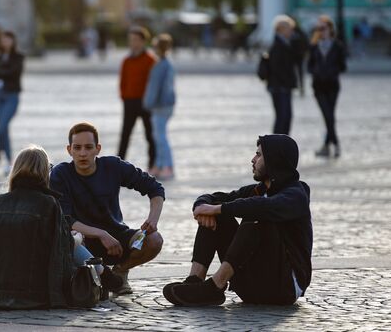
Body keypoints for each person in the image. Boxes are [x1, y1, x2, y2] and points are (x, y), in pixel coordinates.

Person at [162, 134, 312, 307]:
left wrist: (216, 208)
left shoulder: (297, 194)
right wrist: (202, 206)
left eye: (259, 155)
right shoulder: (258, 190)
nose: (253, 160)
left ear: (274, 160)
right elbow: (215, 197)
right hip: (251, 285)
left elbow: (265, 206)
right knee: (221, 212)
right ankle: (195, 281)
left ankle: (215, 285)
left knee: (255, 215)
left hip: (283, 288)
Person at [0, 145, 121, 311]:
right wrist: (77, 239)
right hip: (36, 292)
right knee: (73, 241)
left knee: (68, 237)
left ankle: (108, 277)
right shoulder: (48, 204)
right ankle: (108, 277)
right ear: (44, 172)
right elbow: (61, 250)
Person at [50, 122, 165, 295]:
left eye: (88, 147)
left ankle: (120, 271)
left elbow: (155, 188)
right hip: (82, 243)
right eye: (77, 147)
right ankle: (101, 277)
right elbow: (65, 219)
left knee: (154, 240)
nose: (82, 153)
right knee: (70, 240)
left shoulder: (113, 166)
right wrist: (101, 234)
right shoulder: (61, 174)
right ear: (69, 150)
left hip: (118, 238)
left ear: (97, 149)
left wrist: (153, 220)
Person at [117, 26, 157, 170]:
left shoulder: (150, 60)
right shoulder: (126, 61)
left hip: (146, 103)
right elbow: (122, 81)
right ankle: (118, 164)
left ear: (142, 41)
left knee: (150, 135)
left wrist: (150, 100)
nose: (132, 43)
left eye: (135, 40)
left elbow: (154, 83)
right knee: (125, 134)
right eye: (130, 40)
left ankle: (153, 164)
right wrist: (124, 96)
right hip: (129, 102)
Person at [307, 15, 347, 158]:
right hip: (318, 86)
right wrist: (317, 71)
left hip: (332, 85)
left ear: (330, 29)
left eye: (323, 28)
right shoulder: (313, 46)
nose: (321, 31)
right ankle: (335, 145)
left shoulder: (338, 46)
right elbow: (309, 66)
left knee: (329, 116)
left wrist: (332, 70)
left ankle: (327, 146)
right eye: (318, 29)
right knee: (328, 116)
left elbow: (343, 66)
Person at [0, 31, 24, 176]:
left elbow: (14, 73)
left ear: (13, 41)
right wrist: (2, 72)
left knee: (2, 127)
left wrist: (0, 71)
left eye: (8, 39)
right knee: (1, 129)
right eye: (3, 40)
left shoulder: (18, 57)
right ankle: (0, 160)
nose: (6, 42)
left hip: (11, 96)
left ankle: (7, 161)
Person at [143, 34, 176, 180]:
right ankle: (159, 164)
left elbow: (154, 88)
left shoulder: (160, 66)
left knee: (160, 137)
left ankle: (167, 166)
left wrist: (147, 103)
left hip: (160, 106)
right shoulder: (167, 64)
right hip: (167, 104)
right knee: (158, 136)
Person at [267, 15, 297, 135]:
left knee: (286, 117)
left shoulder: (287, 44)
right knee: (282, 117)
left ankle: (282, 142)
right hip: (279, 87)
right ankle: (276, 145)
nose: (291, 31)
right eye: (289, 28)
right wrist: (286, 82)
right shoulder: (277, 45)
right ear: (281, 29)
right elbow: (277, 68)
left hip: (284, 86)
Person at [290, 21, 309, 96]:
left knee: (299, 72)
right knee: (294, 72)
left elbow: (306, 43)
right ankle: (295, 86)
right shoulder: (292, 32)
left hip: (299, 55)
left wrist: (305, 52)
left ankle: (301, 87)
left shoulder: (300, 32)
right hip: (293, 56)